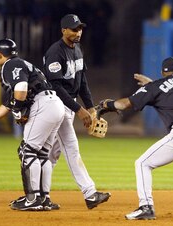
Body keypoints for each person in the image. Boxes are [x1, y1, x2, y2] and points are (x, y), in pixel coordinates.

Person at [99, 57, 173, 220]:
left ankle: (146, 206)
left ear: (162, 72)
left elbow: (125, 104)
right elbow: (168, 93)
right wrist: (151, 85)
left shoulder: (156, 87)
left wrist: (107, 105)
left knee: (142, 163)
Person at [0, 38, 65, 211]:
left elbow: (21, 87)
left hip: (43, 106)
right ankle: (44, 198)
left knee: (26, 151)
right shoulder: (22, 64)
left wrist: (18, 111)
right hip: (55, 105)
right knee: (42, 154)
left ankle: (32, 198)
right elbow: (9, 102)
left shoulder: (9, 65)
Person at [43, 14, 110, 209]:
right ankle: (90, 194)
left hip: (69, 105)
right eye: (73, 29)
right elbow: (56, 86)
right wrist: (79, 110)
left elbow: (82, 81)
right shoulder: (55, 52)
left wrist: (90, 107)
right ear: (63, 30)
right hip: (56, 104)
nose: (78, 32)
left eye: (80, 28)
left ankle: (39, 193)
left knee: (52, 154)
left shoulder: (78, 50)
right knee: (71, 147)